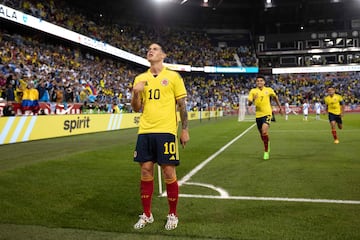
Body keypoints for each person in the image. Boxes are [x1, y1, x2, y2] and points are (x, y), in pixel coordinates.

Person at [131, 43, 189, 230]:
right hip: (145, 131)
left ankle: (173, 214)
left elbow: (182, 105)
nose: (150, 50)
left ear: (163, 54)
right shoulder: (140, 78)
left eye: (155, 49)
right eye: (148, 48)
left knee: (168, 172)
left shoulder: (173, 76)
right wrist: (135, 93)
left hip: (166, 131)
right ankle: (147, 214)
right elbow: (136, 108)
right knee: (146, 170)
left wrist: (185, 130)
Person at [248, 75, 282, 160]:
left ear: (264, 82)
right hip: (258, 115)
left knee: (264, 132)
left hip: (267, 113)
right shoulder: (253, 91)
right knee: (262, 135)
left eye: (261, 81)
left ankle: (266, 151)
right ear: (256, 82)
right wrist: (252, 100)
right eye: (258, 81)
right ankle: (267, 143)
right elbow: (249, 103)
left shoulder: (269, 90)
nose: (259, 82)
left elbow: (275, 98)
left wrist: (280, 107)